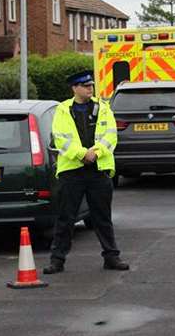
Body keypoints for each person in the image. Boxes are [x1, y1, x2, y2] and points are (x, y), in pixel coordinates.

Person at [43, 71, 129, 274]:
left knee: (102, 217)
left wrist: (96, 153)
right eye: (85, 86)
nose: (90, 89)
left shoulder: (103, 108)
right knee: (66, 218)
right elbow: (61, 138)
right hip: (72, 171)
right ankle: (57, 260)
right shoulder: (63, 110)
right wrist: (82, 154)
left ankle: (111, 257)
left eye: (91, 85)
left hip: (98, 170)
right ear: (74, 88)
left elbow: (110, 135)